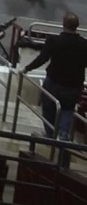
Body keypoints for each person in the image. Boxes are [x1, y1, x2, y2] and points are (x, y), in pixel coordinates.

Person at [24, 12, 87, 142]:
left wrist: (27, 68)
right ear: (76, 26)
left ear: (63, 24)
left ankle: (49, 134)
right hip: (74, 86)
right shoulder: (85, 44)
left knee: (48, 108)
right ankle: (64, 136)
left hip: (54, 82)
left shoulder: (54, 41)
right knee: (68, 109)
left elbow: (42, 58)